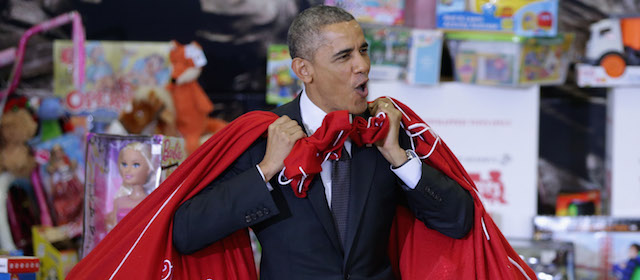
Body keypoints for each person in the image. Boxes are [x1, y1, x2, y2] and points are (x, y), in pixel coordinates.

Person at [172, 5, 474, 280]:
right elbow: (186, 233)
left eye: (364, 50)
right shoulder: (263, 136)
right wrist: (265, 170)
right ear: (304, 70)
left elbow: (458, 221)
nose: (363, 66)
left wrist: (398, 156)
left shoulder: (384, 130)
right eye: (344, 56)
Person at [106, 142, 154, 231]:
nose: (127, 170)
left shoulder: (151, 202)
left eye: (135, 165)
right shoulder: (118, 201)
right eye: (124, 164)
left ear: (148, 169)